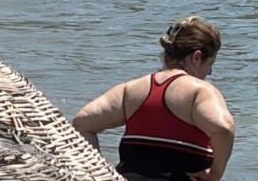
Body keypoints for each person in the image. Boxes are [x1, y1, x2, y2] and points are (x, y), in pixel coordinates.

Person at [72, 17, 236, 181]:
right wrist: (215, 174)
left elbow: (82, 123)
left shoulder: (130, 90)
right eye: (210, 64)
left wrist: (99, 173)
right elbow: (223, 128)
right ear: (196, 57)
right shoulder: (199, 91)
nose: (210, 72)